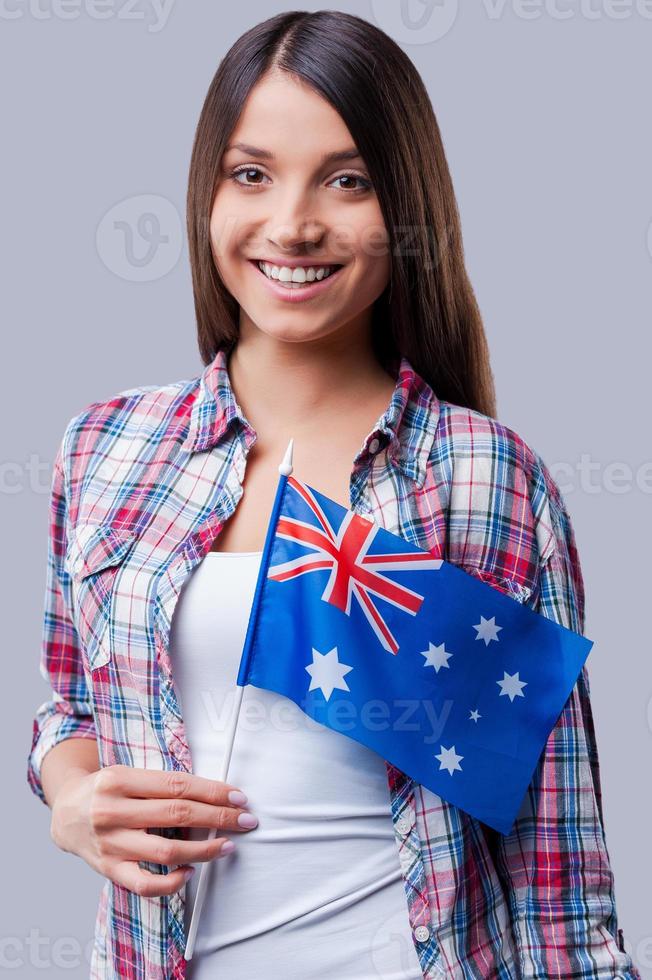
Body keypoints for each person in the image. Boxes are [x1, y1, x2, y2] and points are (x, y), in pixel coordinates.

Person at [26, 10, 640, 980]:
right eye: (251, 173)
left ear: (404, 205)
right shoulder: (105, 449)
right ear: (206, 194)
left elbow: (556, 869)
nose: (293, 223)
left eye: (345, 179)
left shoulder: (483, 479)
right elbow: (67, 709)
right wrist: (70, 800)